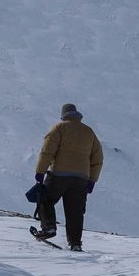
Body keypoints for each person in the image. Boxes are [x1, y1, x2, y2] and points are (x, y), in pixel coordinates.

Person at [33, 102, 104, 251]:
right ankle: (75, 243)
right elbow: (97, 159)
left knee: (45, 199)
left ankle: (49, 228)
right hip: (81, 179)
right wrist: (92, 180)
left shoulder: (59, 127)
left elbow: (47, 151)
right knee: (75, 212)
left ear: (63, 115)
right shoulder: (89, 132)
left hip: (59, 174)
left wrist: (40, 171)